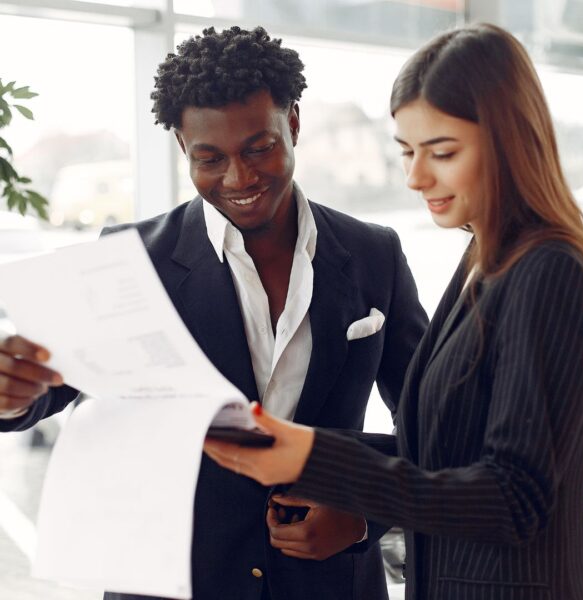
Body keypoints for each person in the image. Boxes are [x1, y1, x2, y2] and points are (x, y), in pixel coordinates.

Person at [0, 26, 428, 600]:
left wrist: (363, 517)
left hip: (329, 581)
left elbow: (432, 425)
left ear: (293, 123)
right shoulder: (132, 259)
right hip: (174, 584)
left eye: (259, 148)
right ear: (182, 148)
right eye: (210, 158)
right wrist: (14, 390)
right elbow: (46, 392)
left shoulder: (376, 253)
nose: (239, 178)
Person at [205, 22, 583, 600]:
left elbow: (517, 500)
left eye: (442, 152)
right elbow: (446, 451)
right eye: (408, 152)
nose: (416, 177)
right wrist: (299, 452)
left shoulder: (550, 269)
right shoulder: (486, 258)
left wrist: (319, 457)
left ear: (511, 141)